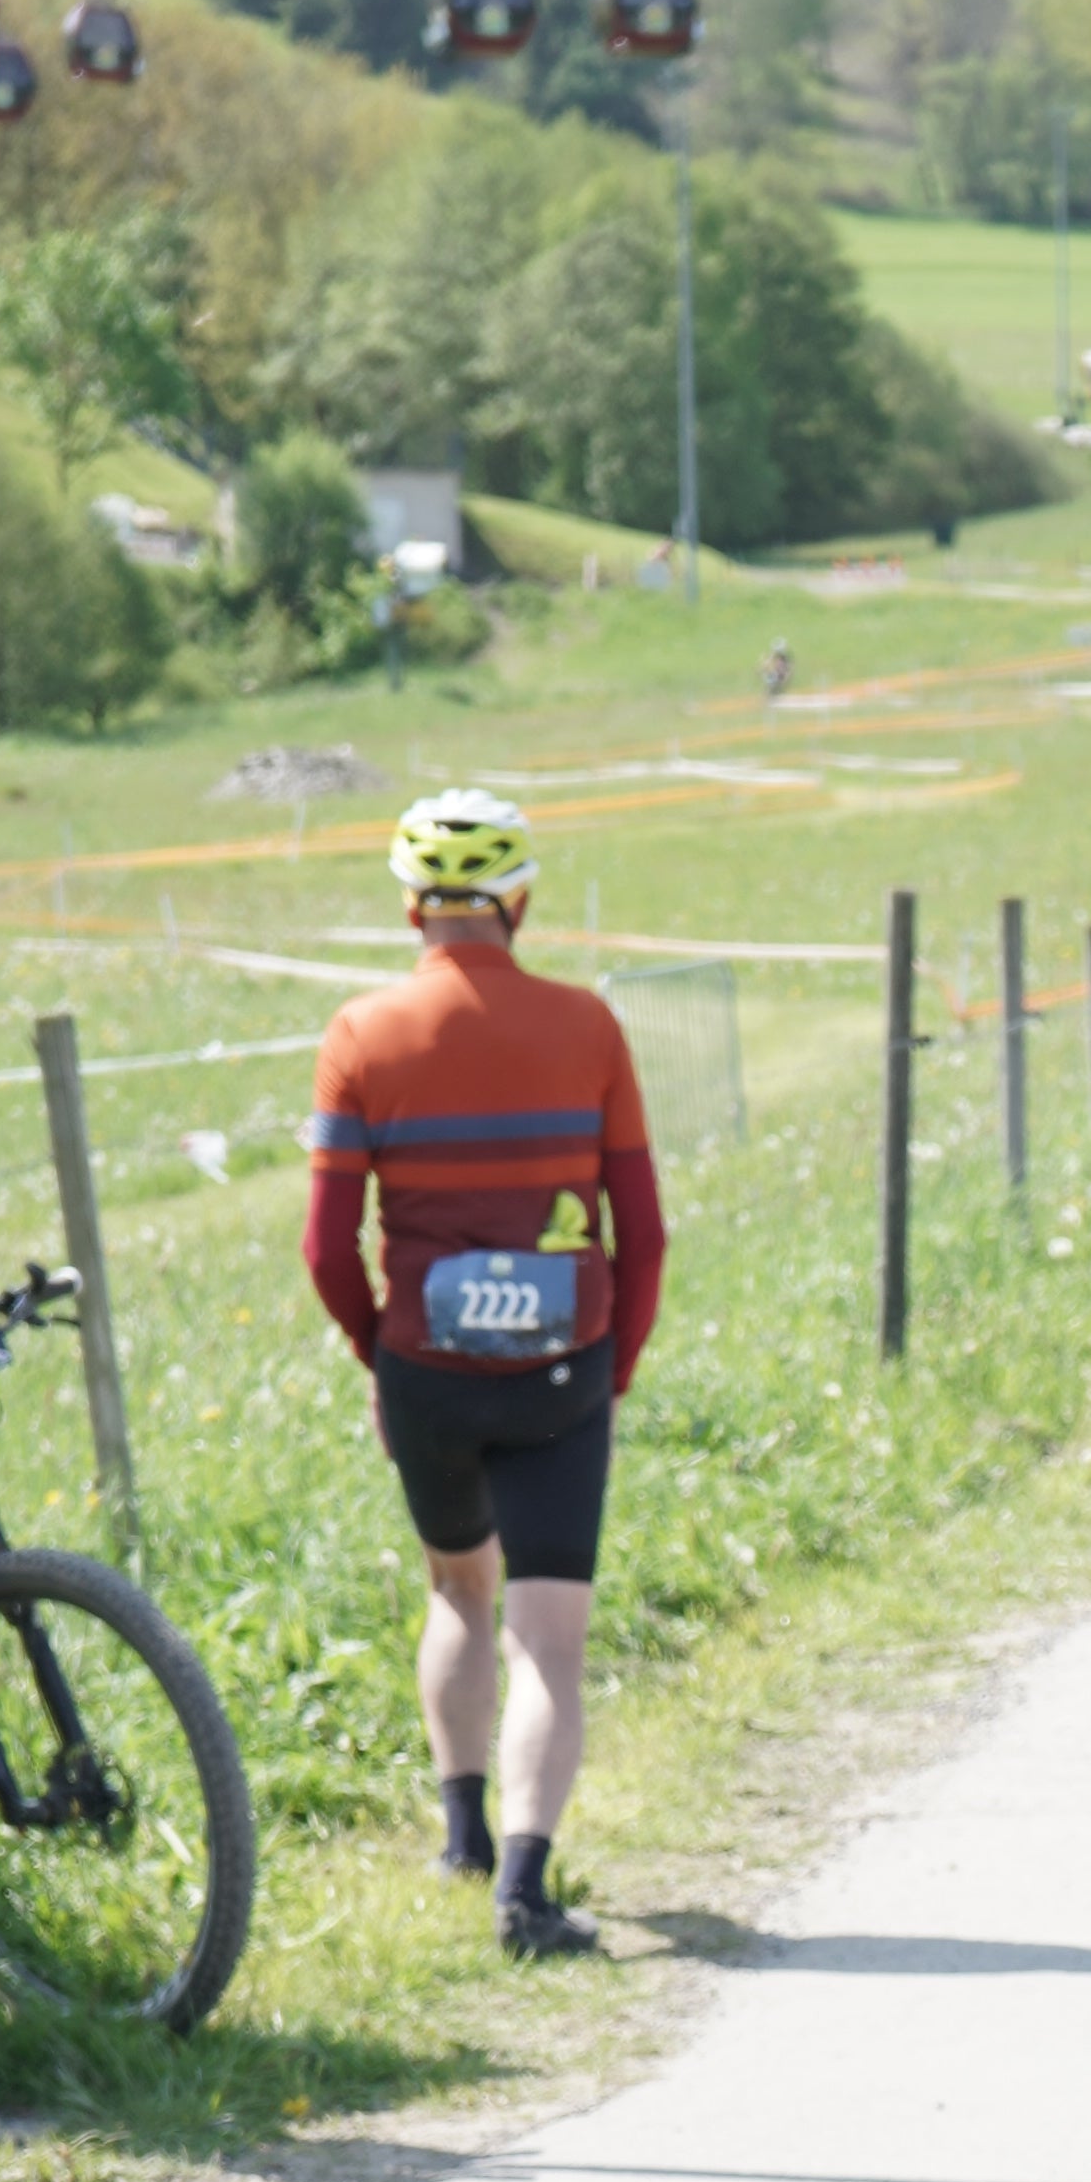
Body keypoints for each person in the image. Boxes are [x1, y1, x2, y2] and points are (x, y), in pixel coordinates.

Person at [303, 790, 667, 1959]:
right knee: (548, 1640)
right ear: (521, 900)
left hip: (428, 1371)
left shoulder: (359, 1035)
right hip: (564, 1372)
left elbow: (325, 1247)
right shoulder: (590, 1027)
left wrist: (383, 1355)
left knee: (458, 1590)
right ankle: (525, 1891)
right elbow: (642, 1233)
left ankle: (460, 1838)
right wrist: (611, 1369)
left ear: (411, 905)